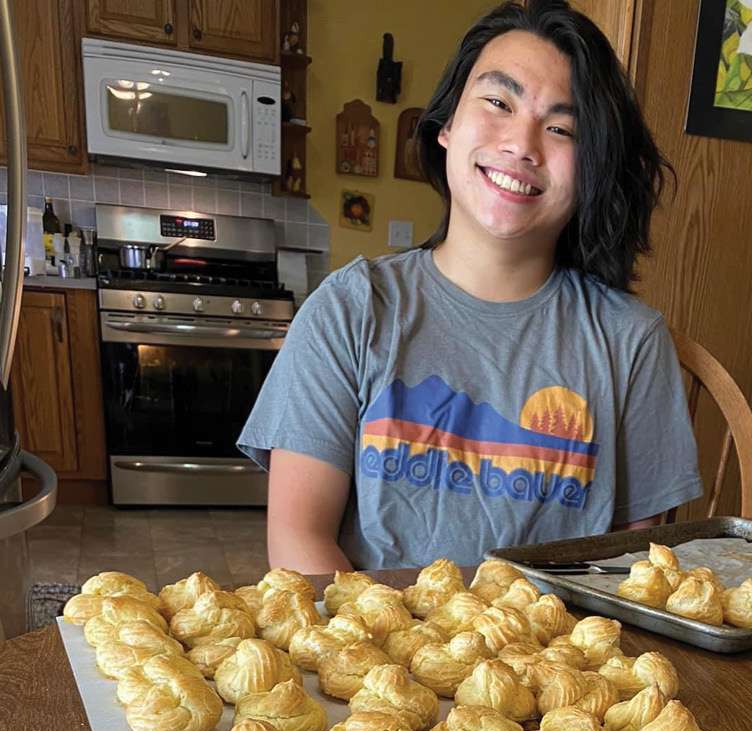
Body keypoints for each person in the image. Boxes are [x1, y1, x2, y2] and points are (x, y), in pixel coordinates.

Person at [239, 0, 703, 572]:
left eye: (562, 128)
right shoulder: (349, 311)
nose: (522, 145)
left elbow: (634, 573)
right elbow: (299, 544)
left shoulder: (632, 342)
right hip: (368, 651)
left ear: (594, 168)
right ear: (447, 124)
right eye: (498, 102)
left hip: (556, 657)